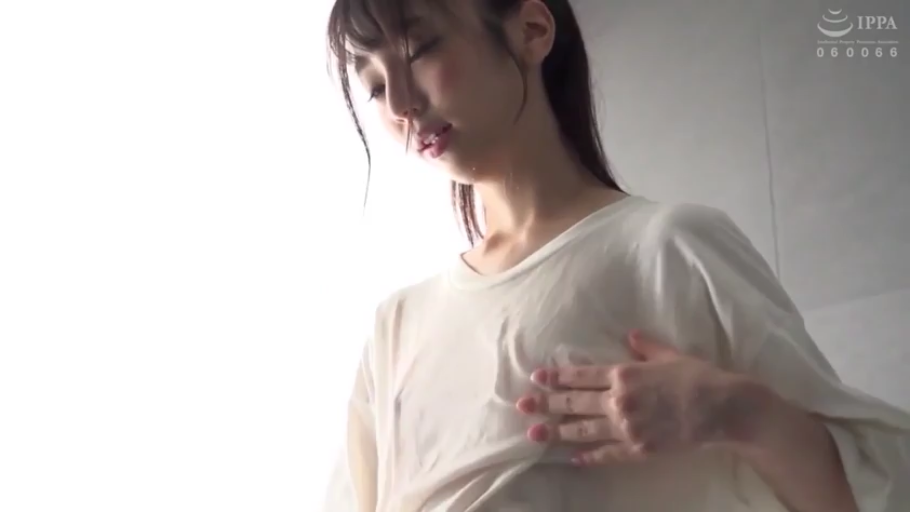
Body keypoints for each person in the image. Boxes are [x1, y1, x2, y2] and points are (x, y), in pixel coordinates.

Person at [320, 0, 910, 511]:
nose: (399, 103)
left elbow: (874, 492)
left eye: (419, 49)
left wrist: (736, 412)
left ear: (531, 30)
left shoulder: (668, 249)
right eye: (374, 86)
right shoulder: (396, 326)